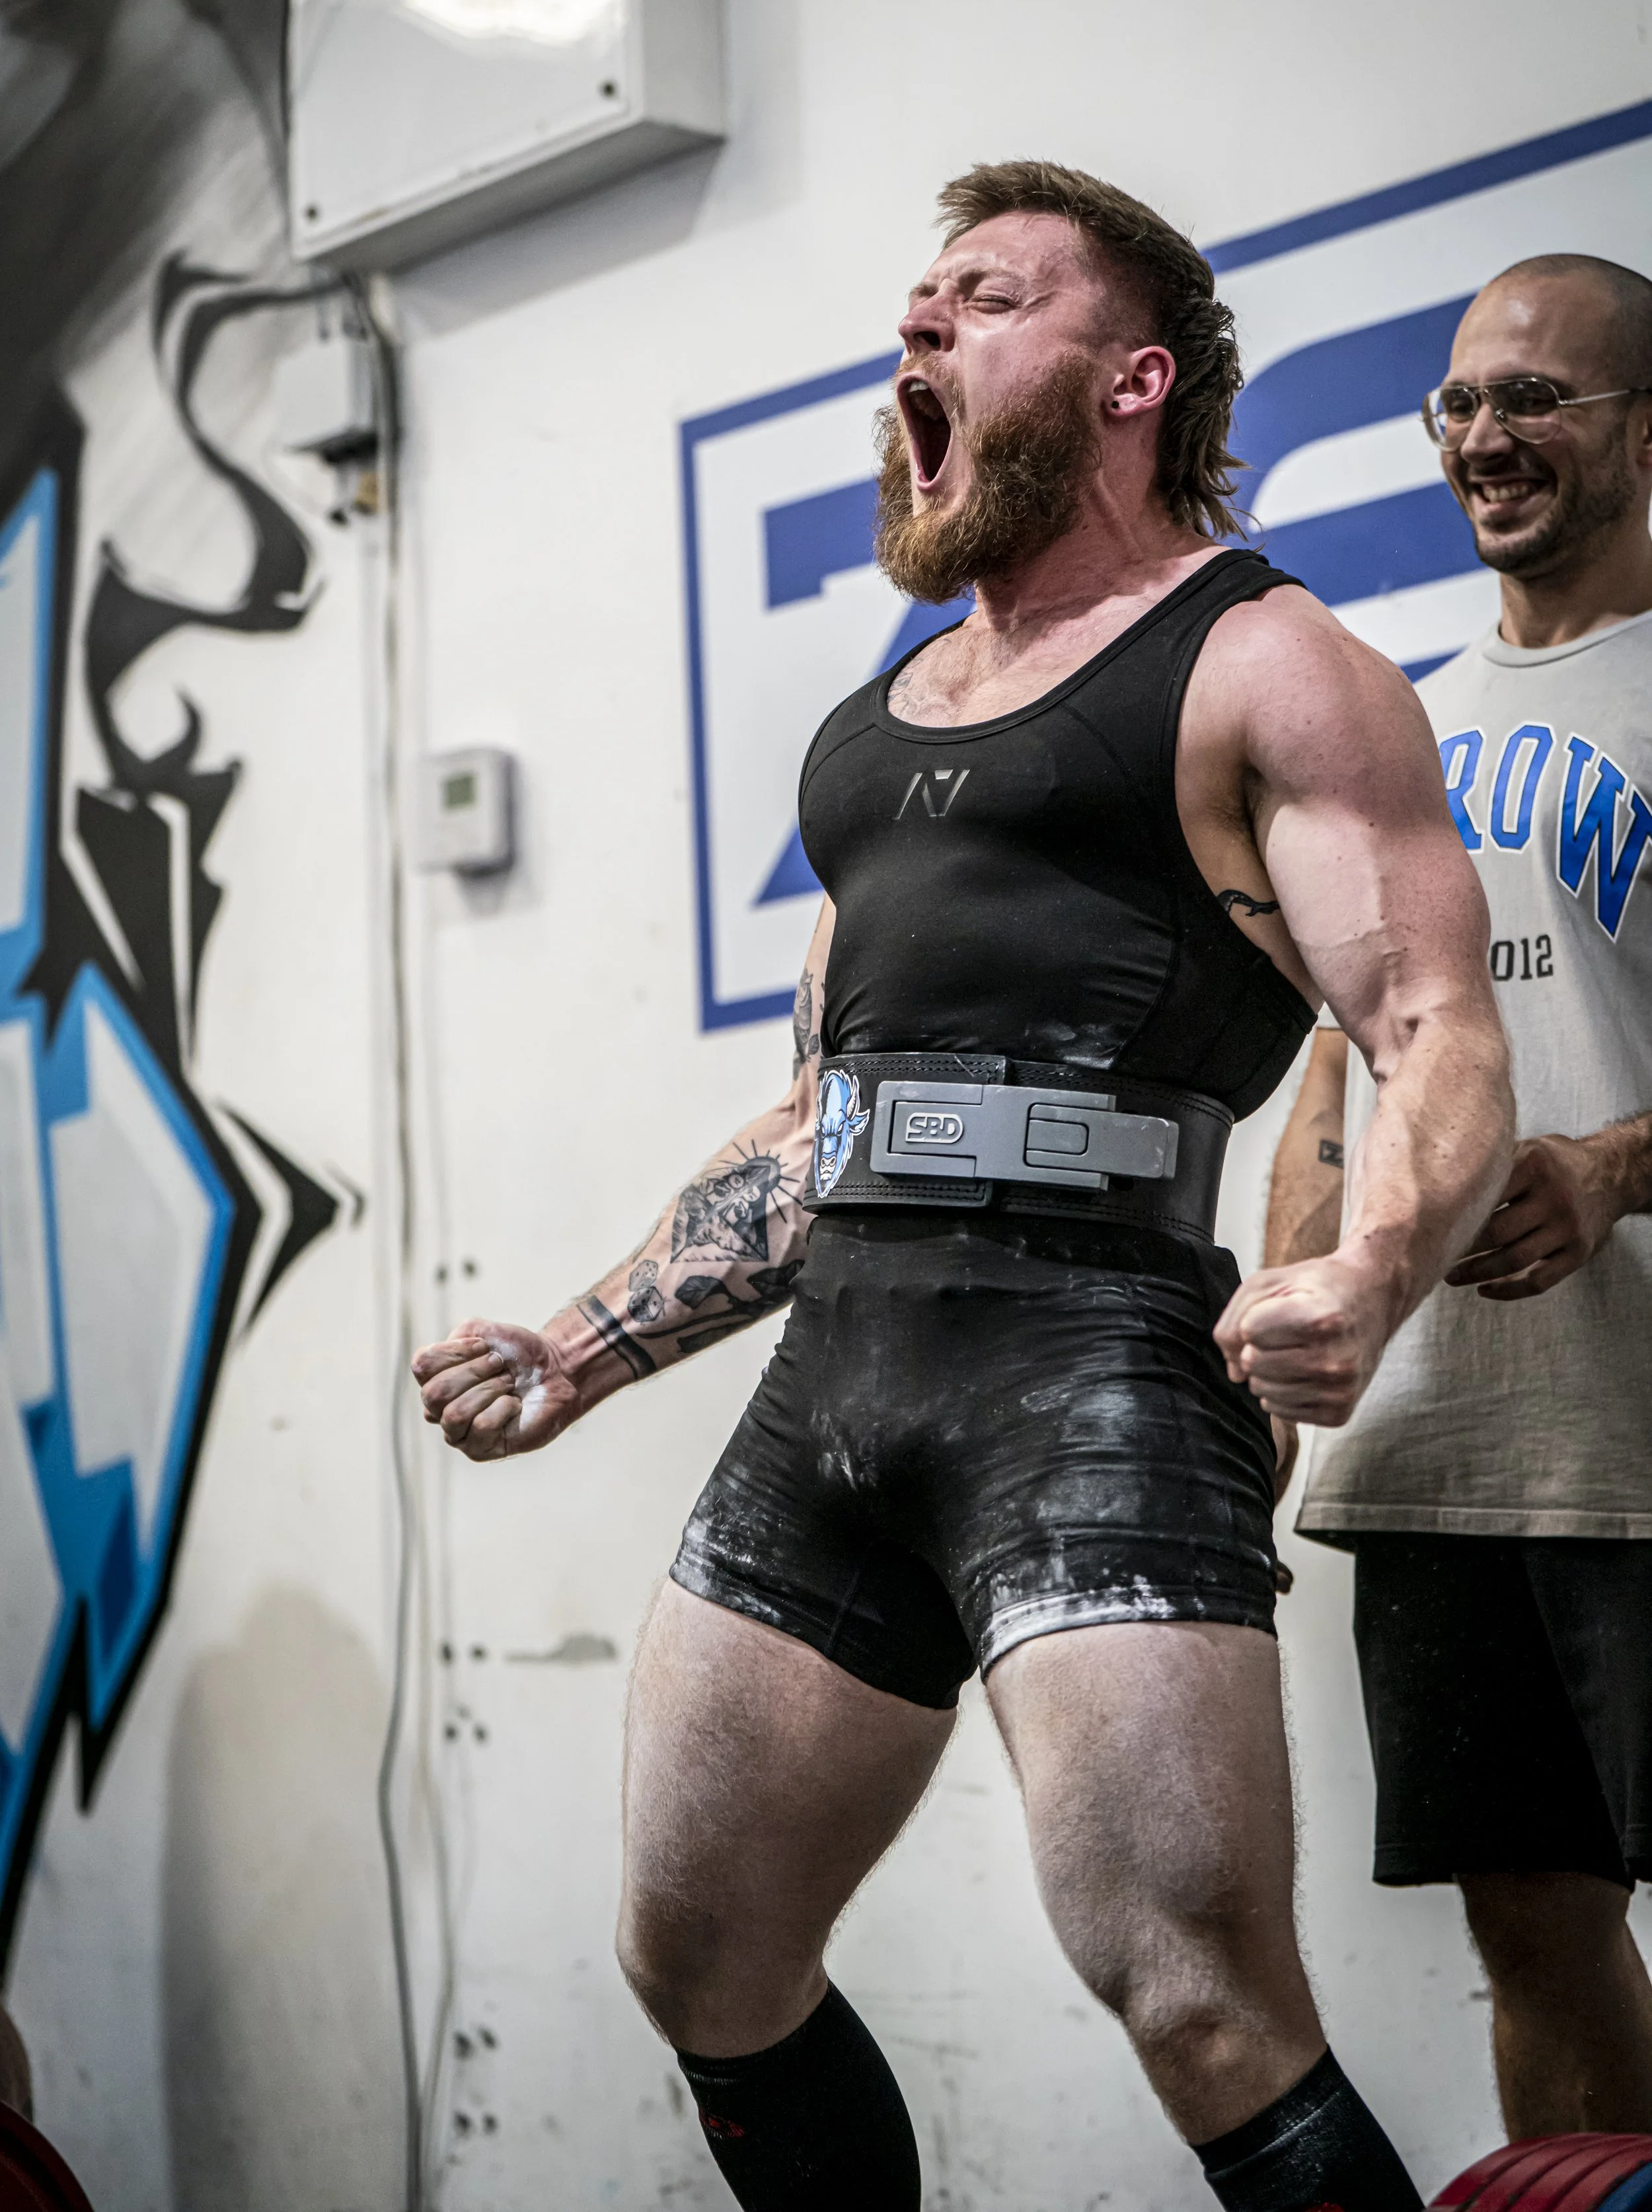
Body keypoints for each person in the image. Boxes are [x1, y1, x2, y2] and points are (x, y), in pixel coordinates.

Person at [415, 161, 1513, 2211]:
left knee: (1197, 1994)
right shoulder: (879, 721)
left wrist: (1371, 1265)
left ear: (1127, 379)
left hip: (1090, 1374)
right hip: (837, 1380)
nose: (919, 332)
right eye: (916, 303)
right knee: (700, 1951)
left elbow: (1433, 1028)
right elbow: (821, 1127)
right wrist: (575, 1342)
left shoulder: (1264, 661)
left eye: (985, 299)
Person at [1275, 253, 1652, 2144]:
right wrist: (1261, 1369)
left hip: (1642, 1434)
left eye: (1536, 400)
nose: (1485, 436)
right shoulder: (1391, 732)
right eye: (1459, 403)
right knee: (1530, 1922)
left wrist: (1606, 1162)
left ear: (1643, 431)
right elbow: (1333, 1078)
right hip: (1442, 1444)